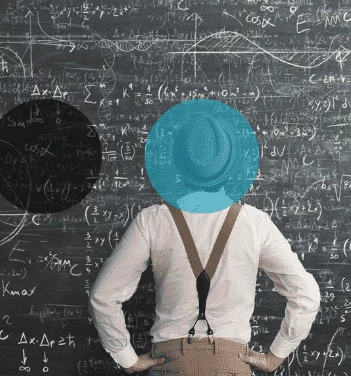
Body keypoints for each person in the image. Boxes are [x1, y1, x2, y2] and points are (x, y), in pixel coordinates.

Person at [88, 100, 321, 374]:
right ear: (229, 167)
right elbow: (306, 295)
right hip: (232, 366)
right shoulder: (254, 222)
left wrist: (127, 358)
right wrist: (276, 354)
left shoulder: (153, 220)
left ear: (178, 165)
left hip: (171, 366)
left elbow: (103, 296)